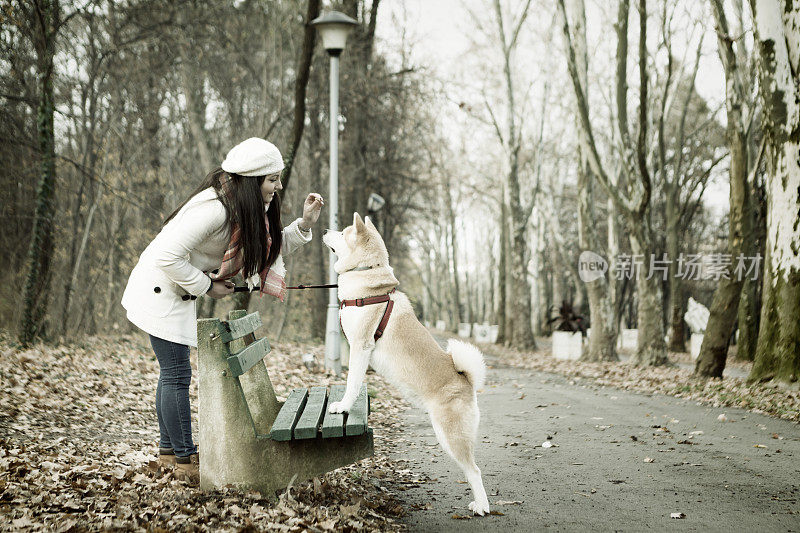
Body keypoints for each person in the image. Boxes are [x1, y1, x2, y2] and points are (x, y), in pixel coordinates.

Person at [121, 138, 324, 482]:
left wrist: (304, 224)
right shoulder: (215, 208)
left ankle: (169, 454)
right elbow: (165, 256)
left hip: (176, 291)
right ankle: (185, 460)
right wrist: (207, 286)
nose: (279, 185)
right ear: (252, 179)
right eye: (272, 179)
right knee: (176, 374)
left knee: (171, 373)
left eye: (278, 177)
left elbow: (268, 245)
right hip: (158, 289)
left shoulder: (245, 207)